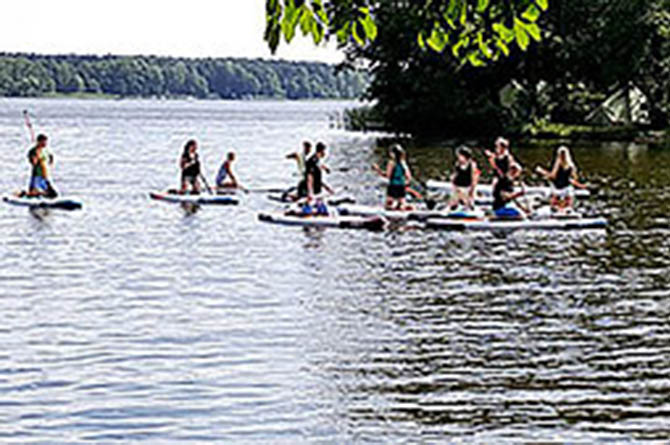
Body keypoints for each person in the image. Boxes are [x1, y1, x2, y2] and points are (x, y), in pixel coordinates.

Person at [535, 146, 588, 213]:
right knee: (567, 205)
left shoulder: (557, 164)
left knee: (555, 205)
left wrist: (541, 171)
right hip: (567, 189)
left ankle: (557, 211)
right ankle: (567, 211)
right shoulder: (571, 165)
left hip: (557, 189)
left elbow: (553, 176)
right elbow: (574, 178)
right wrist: (580, 185)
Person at [372, 144, 413, 210]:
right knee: (401, 204)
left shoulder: (391, 163)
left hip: (393, 185)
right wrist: (405, 183)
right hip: (401, 186)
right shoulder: (403, 163)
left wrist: (378, 170)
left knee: (388, 204)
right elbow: (408, 177)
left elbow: (387, 175)